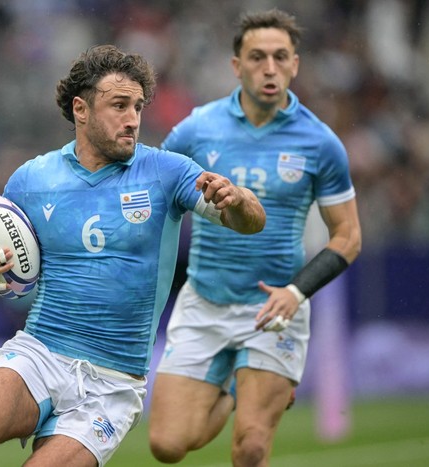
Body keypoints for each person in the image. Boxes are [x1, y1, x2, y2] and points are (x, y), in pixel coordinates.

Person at [0, 44, 265, 467]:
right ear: (81, 109)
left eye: (138, 106)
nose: (133, 118)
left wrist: (239, 199)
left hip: (113, 383)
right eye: (119, 105)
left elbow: (251, 222)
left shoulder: (168, 171)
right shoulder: (31, 179)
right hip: (41, 351)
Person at [148, 9, 362, 466]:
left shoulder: (320, 143)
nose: (270, 68)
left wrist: (295, 291)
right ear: (236, 66)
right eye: (258, 57)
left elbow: (348, 237)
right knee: (166, 445)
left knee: (251, 449)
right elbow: (150, 189)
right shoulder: (196, 128)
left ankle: (255, 375)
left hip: (274, 306)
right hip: (204, 301)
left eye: (280, 57)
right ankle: (231, 383)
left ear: (295, 64)